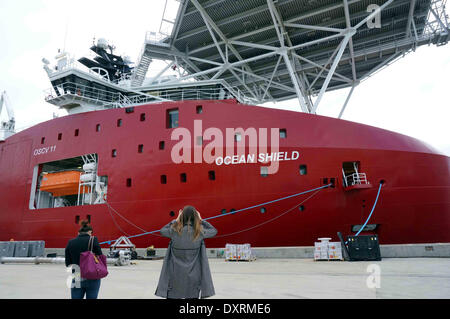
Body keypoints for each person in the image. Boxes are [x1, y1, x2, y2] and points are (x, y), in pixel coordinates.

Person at [155, 206, 217, 299]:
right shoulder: (199, 232)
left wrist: (176, 220)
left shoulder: (174, 231)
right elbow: (214, 231)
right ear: (195, 217)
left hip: (175, 275)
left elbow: (162, 231)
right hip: (194, 276)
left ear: (181, 217)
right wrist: (201, 220)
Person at [65, 220, 103, 299]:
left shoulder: (70, 242)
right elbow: (100, 256)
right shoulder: (93, 240)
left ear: (78, 233)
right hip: (92, 275)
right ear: (90, 232)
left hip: (77, 275)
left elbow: (68, 263)